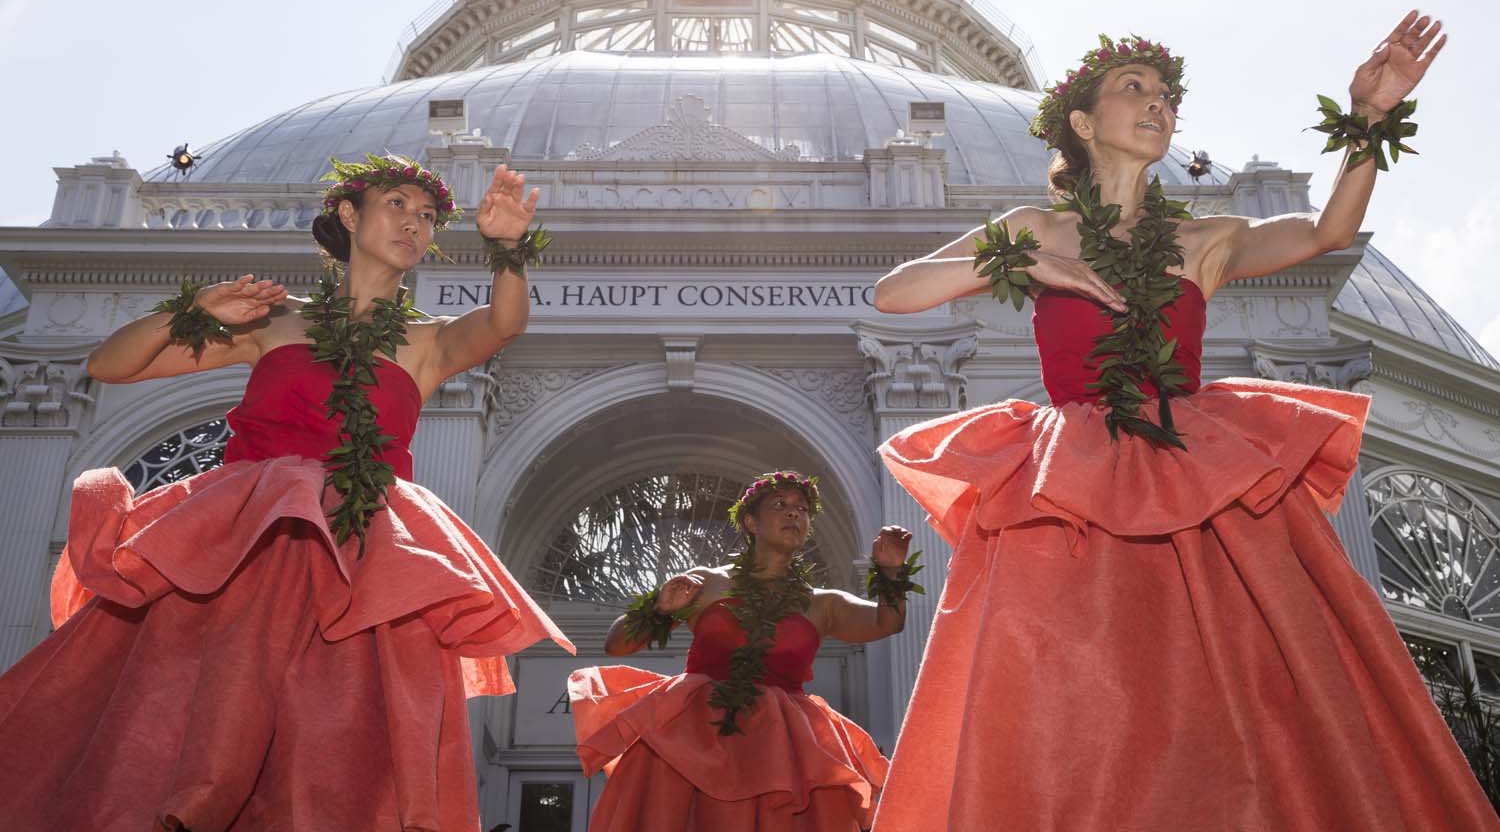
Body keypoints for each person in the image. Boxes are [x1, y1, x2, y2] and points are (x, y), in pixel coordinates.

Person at [869, 13, 1500, 830]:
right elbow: (896, 292)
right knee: (1072, 700)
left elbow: (1328, 232)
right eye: (1134, 88)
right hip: (1071, 491)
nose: (1158, 103)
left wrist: (1370, 120)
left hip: (1203, 483)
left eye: (1167, 94)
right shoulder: (1036, 228)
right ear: (1086, 124)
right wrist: (1029, 262)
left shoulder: (1205, 239)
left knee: (1248, 698)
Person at [0, 154, 574, 831]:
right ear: (350, 216)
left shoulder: (427, 343)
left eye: (426, 218)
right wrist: (191, 310)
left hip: (364, 554)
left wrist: (508, 248)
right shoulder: (275, 322)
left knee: (338, 730)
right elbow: (109, 364)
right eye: (398, 206)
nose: (414, 225)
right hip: (255, 540)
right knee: (222, 719)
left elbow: (504, 324)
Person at [568, 471, 916, 831]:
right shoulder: (707, 582)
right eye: (780, 505)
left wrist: (891, 574)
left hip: (780, 747)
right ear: (751, 521)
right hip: (691, 737)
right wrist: (659, 608)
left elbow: (885, 623)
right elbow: (617, 644)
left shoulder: (822, 604)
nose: (794, 513)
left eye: (802, 509)